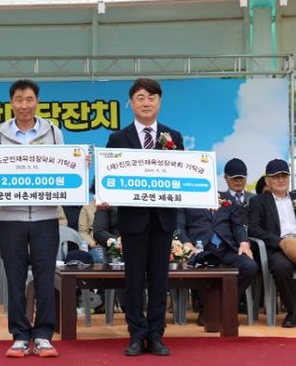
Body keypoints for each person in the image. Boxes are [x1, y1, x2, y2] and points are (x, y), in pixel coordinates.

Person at [0, 79, 62, 358]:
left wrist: (80, 164)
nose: (24, 105)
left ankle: (43, 336)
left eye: (29, 99)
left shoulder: (53, 132)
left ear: (37, 101)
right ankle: (19, 335)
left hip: (45, 216)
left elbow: (65, 166)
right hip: (10, 218)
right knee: (15, 279)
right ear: (11, 103)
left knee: (45, 277)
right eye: (18, 100)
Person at [105, 78, 183, 356]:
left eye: (151, 97)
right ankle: (136, 335)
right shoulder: (118, 138)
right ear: (131, 103)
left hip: (163, 220)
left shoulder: (173, 137)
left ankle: (157, 334)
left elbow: (182, 175)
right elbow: (107, 176)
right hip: (133, 221)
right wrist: (102, 191)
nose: (146, 102)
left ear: (159, 102)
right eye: (140, 97)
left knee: (160, 281)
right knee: (134, 281)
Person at [177, 194, 258, 325]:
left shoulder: (227, 198)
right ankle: (207, 309)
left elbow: (237, 225)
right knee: (201, 266)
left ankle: (227, 307)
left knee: (250, 266)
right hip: (200, 248)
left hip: (226, 248)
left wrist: (243, 242)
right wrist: (186, 242)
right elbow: (179, 226)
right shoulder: (187, 197)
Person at [248, 158, 296, 328]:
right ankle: (293, 311)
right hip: (277, 248)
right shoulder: (259, 201)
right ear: (268, 181)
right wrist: (280, 242)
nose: (281, 180)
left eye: (284, 176)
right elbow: (253, 230)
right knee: (281, 267)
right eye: (276, 177)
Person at [220, 158, 255, 225]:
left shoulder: (255, 199)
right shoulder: (219, 201)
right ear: (225, 178)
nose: (238, 181)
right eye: (234, 178)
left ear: (246, 176)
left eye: (241, 177)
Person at [78, 183, 103, 264]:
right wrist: (91, 243)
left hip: (116, 244)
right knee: (99, 258)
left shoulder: (116, 206)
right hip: (96, 245)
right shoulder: (87, 208)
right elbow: (83, 231)